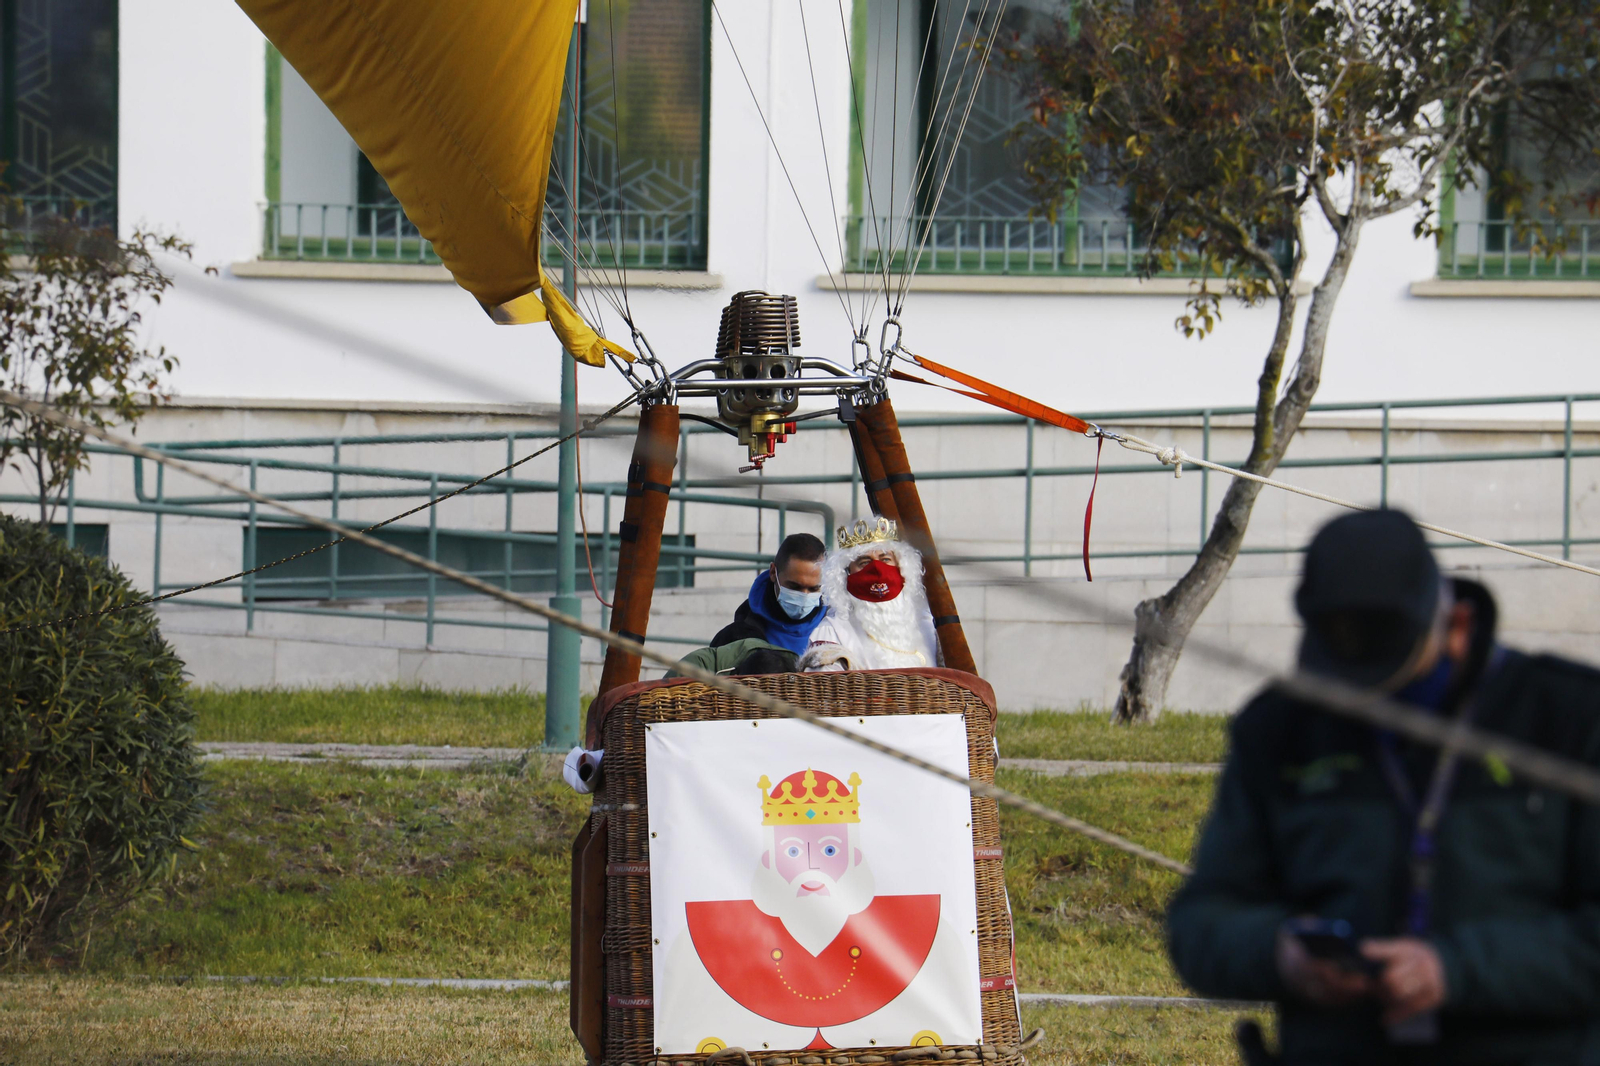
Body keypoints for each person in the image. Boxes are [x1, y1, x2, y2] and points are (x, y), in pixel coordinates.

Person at [1167, 509, 1600, 1064]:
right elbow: (1201, 922)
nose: (1365, 707)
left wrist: (1458, 970)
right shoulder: (1280, 730)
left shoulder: (1570, 720)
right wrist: (1280, 954)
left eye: (1390, 681)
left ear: (1457, 627)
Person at [655, 767, 975, 1052]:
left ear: (855, 855)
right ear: (767, 858)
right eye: (792, 850)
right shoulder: (702, 939)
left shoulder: (931, 932)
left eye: (830, 850)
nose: (810, 868)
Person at [799, 518, 939, 671]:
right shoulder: (832, 632)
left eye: (885, 559)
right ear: (846, 574)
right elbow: (824, 690)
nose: (877, 569)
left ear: (901, 566)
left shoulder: (929, 625)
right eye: (864, 562)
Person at [711, 532, 828, 656]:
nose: (804, 596)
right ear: (773, 572)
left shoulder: (837, 627)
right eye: (794, 587)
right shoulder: (737, 636)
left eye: (814, 589)